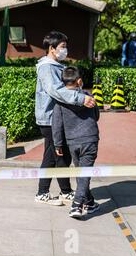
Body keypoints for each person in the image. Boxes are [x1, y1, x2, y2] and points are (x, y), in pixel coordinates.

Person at [34, 31, 96, 205]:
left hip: (58, 118)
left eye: (66, 46)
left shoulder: (56, 66)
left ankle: (65, 191)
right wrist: (81, 98)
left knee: (62, 156)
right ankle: (42, 193)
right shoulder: (47, 68)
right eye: (62, 47)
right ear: (52, 49)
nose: (65, 50)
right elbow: (56, 91)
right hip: (50, 120)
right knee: (53, 157)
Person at [52, 67, 100, 218]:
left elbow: (57, 124)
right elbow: (97, 115)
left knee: (82, 173)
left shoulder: (60, 101)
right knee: (84, 173)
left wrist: (58, 144)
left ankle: (90, 203)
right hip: (89, 139)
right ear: (79, 81)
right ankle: (77, 204)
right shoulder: (88, 97)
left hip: (72, 141)